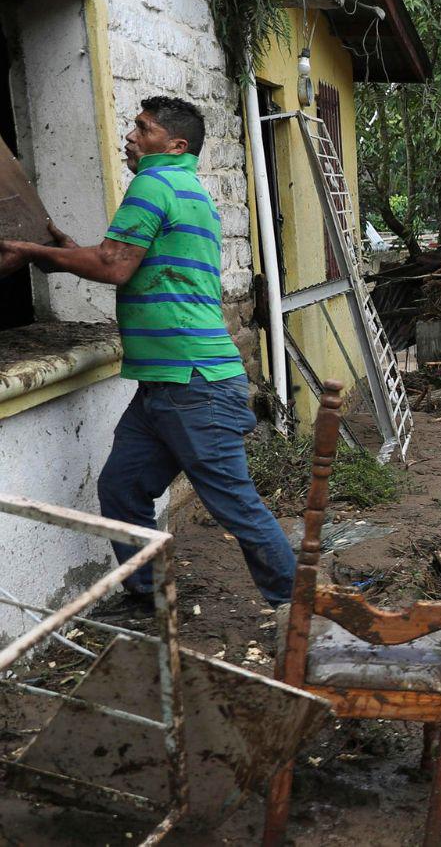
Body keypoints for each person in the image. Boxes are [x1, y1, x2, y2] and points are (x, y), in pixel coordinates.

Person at [0, 96, 296, 610]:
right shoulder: (187, 190)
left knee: (235, 505)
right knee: (122, 488)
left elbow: (115, 266)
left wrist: (32, 251)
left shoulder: (155, 182)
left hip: (193, 383)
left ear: (175, 145)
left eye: (143, 129)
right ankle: (151, 596)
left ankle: (299, 610)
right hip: (167, 383)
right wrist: (66, 251)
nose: (131, 137)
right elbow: (128, 259)